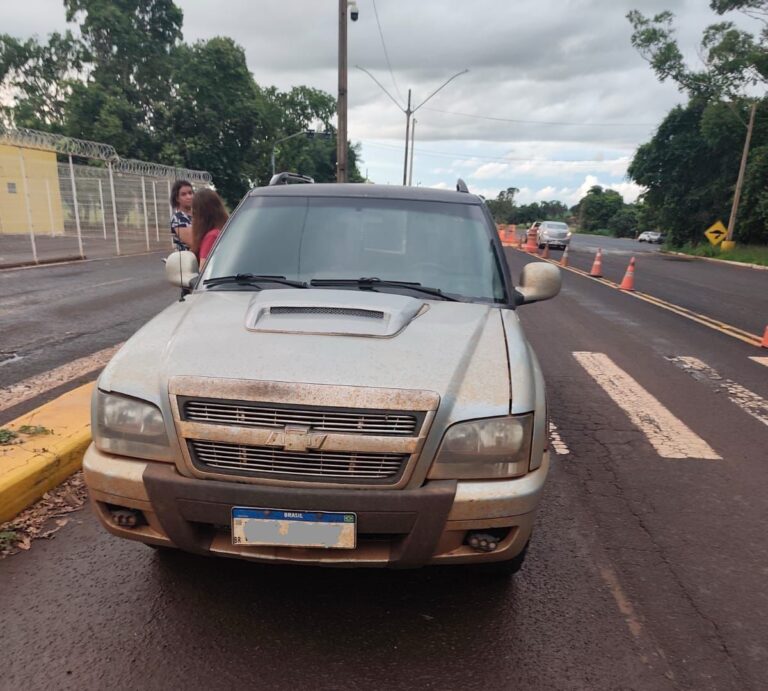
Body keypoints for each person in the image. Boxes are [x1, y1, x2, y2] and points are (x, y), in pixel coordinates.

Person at [191, 188, 229, 268]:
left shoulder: (212, 237)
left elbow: (204, 270)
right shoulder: (226, 231)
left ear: (200, 213)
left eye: (194, 210)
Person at [169, 180, 194, 250]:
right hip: (188, 259)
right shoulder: (178, 219)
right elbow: (193, 242)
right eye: (183, 194)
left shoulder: (199, 214)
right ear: (177, 198)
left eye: (190, 193)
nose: (188, 197)